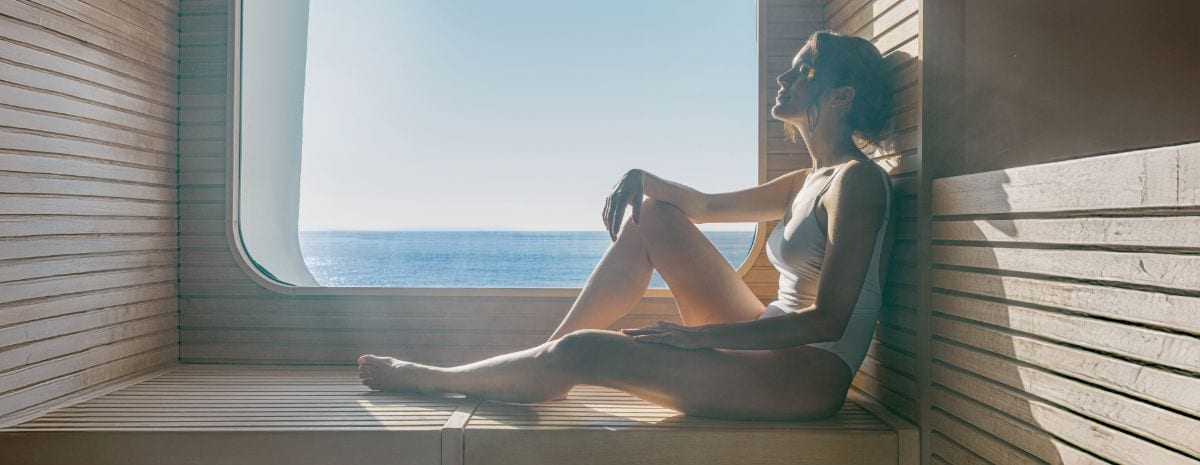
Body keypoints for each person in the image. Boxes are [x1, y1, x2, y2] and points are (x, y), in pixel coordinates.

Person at [357, 31, 897, 420]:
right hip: (770, 340)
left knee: (583, 352)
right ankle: (546, 367)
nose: (783, 76)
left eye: (802, 69)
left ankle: (442, 377)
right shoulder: (808, 178)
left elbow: (826, 321)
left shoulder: (859, 183)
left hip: (800, 379)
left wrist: (697, 339)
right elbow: (702, 206)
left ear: (842, 96)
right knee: (650, 216)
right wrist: (643, 178)